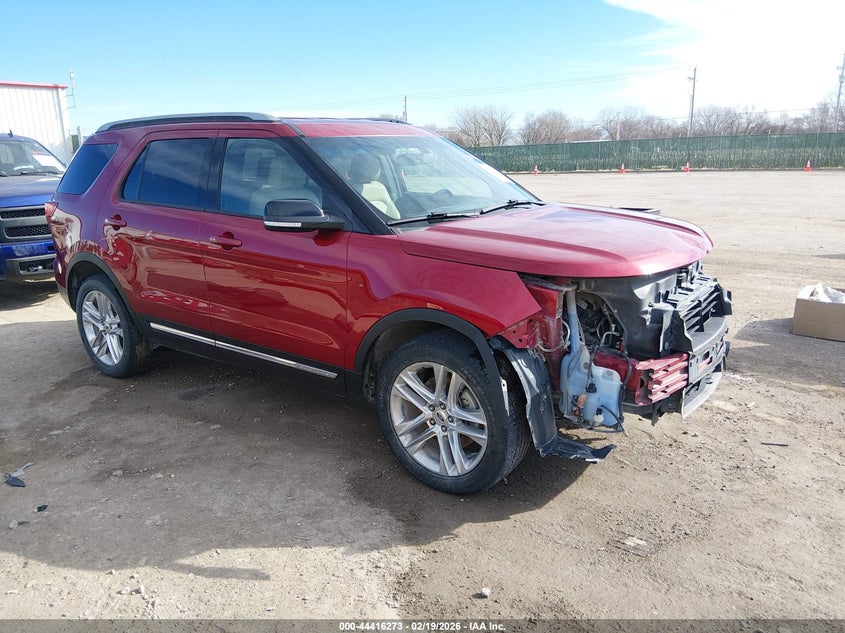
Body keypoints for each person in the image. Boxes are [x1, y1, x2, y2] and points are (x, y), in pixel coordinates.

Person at [347, 152, 400, 219]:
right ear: (377, 170)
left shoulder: (343, 188)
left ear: (351, 168)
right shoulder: (380, 189)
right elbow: (396, 217)